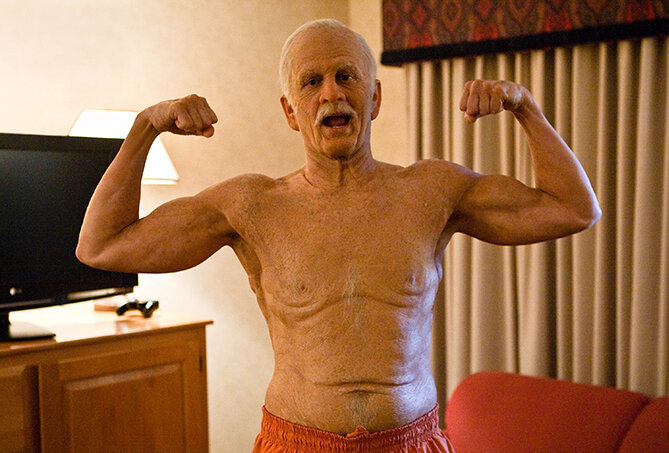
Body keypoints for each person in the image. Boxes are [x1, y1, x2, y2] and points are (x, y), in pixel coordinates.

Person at [77, 18, 601, 452]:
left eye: (346, 76)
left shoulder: (432, 190)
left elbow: (573, 209)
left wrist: (524, 106)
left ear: (373, 98)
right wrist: (146, 126)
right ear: (290, 111)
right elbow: (103, 244)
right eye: (311, 82)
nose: (332, 93)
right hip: (295, 442)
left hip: (410, 442)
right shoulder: (251, 204)